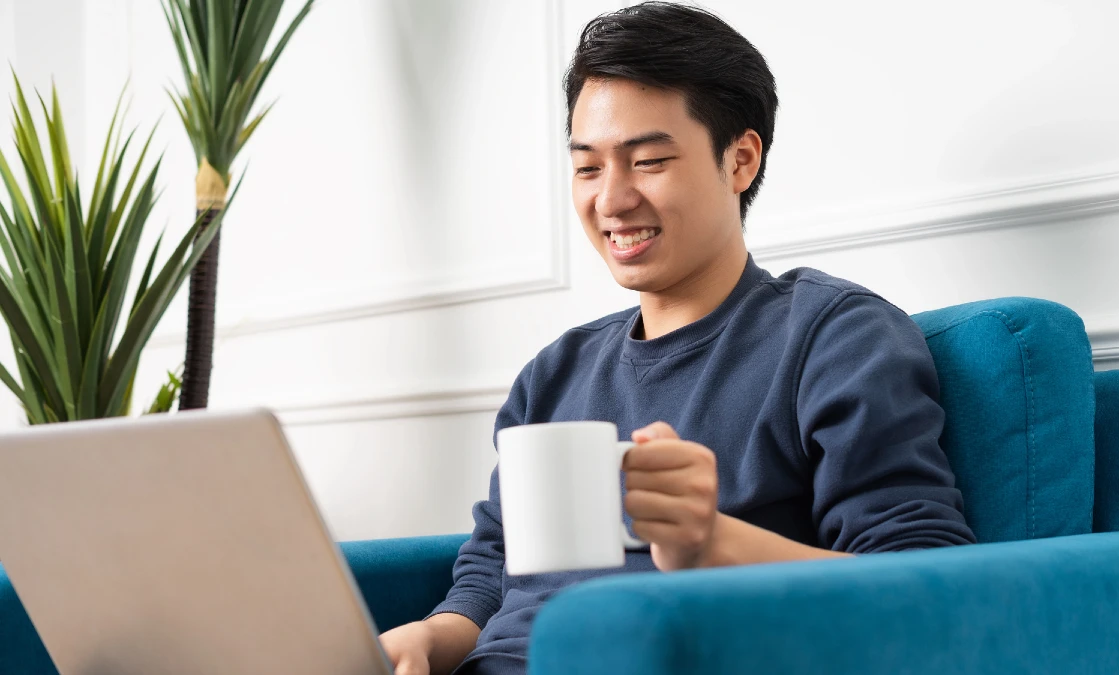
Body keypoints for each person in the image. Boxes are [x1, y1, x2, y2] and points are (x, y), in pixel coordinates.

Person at [380, 3, 977, 673]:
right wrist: (433, 635)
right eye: (587, 167)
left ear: (740, 160)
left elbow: (929, 589)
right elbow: (493, 565)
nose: (612, 199)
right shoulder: (555, 372)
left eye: (649, 161)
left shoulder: (831, 337)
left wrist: (711, 542)